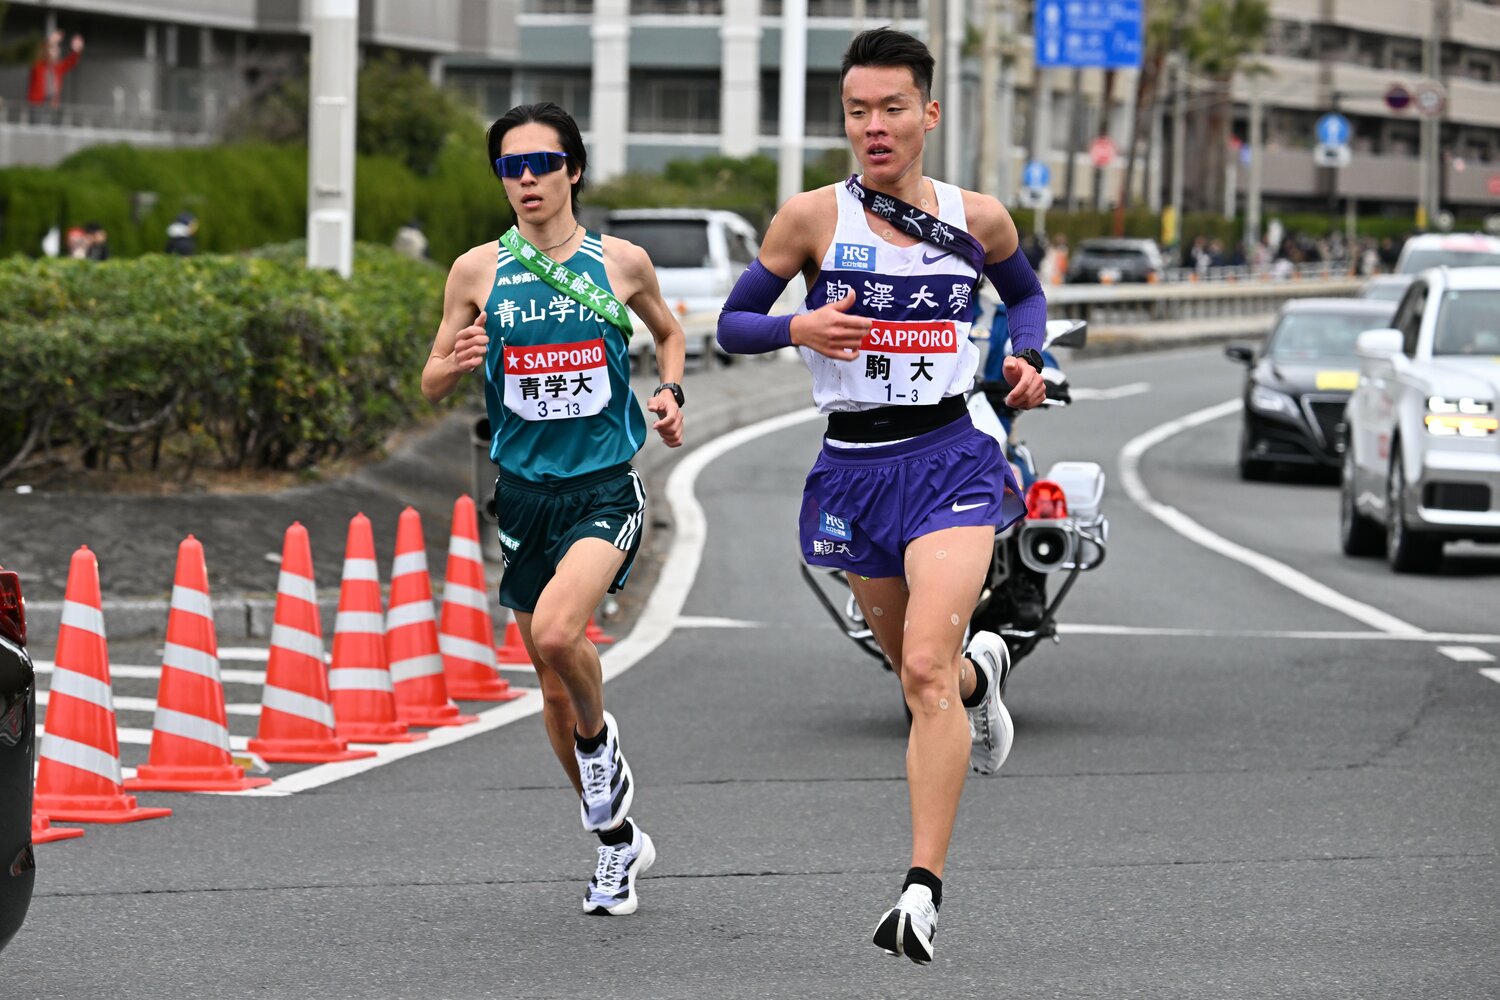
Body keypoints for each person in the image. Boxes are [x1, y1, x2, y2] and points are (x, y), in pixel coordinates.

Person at [716, 27, 1047, 965]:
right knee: (922, 670)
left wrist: (1029, 357)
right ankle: (988, 678)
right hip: (854, 470)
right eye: (857, 110)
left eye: (892, 107)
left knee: (922, 673)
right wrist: (798, 326)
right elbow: (733, 325)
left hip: (951, 456)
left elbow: (1024, 299)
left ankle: (921, 892)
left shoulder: (978, 218)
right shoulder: (811, 220)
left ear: (928, 114)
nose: (874, 126)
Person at [420, 102, 686, 917]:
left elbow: (670, 335)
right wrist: (455, 360)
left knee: (557, 632)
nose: (526, 179)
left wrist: (670, 391)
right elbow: (430, 379)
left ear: (573, 169)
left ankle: (602, 751)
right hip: (525, 495)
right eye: (511, 167)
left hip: (605, 485)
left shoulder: (622, 262)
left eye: (542, 163)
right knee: (549, 683)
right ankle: (615, 845)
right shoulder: (476, 271)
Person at [27, 31, 83, 118]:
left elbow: (70, 62)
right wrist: (50, 41)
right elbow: (38, 52)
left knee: (51, 128)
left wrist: (76, 51)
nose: (56, 51)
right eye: (53, 49)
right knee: (36, 128)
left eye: (56, 49)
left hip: (52, 105)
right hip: (37, 104)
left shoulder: (57, 67)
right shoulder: (38, 65)